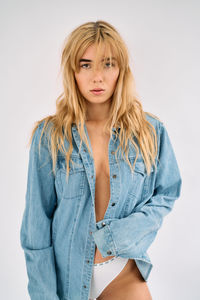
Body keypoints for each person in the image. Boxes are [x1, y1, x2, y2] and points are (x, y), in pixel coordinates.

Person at [20, 20, 182, 300]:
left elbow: (167, 193)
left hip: (122, 274)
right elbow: (36, 229)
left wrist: (121, 235)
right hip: (65, 280)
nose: (97, 77)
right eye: (86, 65)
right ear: (73, 71)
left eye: (108, 64)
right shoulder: (50, 137)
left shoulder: (150, 131)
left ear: (121, 70)